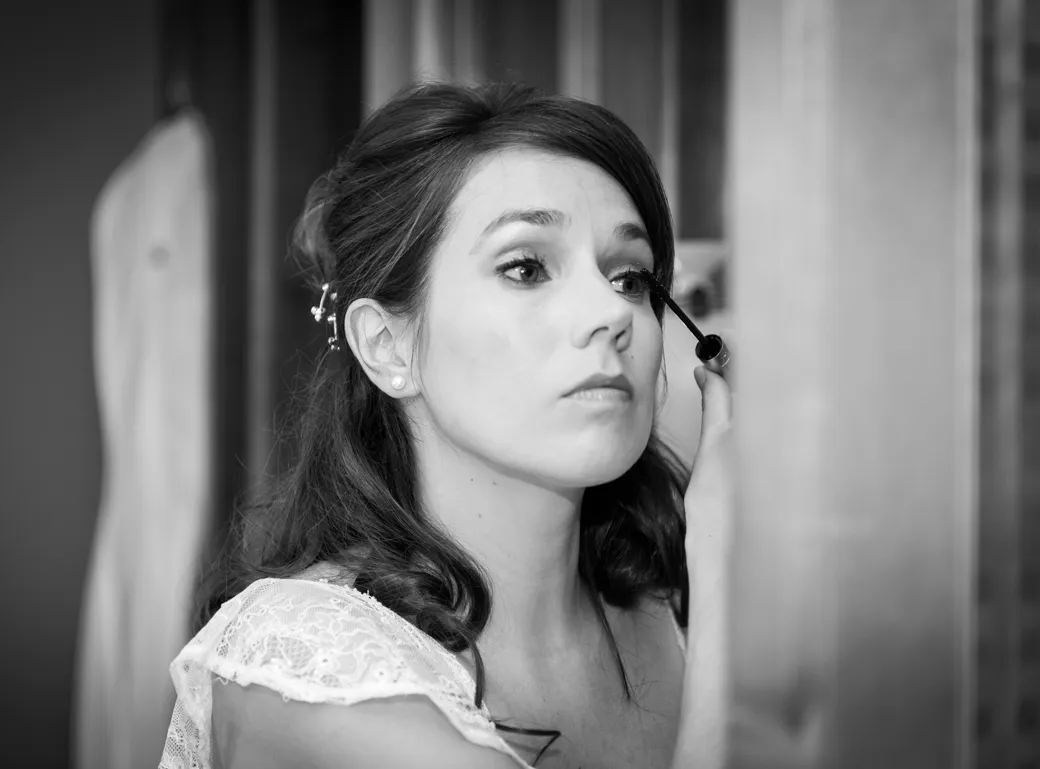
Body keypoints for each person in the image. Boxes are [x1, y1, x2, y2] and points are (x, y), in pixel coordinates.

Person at [158, 81, 733, 769]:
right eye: (526, 267)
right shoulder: (301, 670)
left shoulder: (670, 605)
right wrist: (726, 573)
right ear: (387, 347)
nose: (612, 314)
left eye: (631, 278)